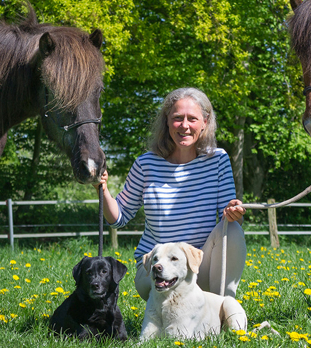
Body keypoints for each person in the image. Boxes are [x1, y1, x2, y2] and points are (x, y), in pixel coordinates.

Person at [94, 87, 246, 301]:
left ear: (205, 121)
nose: (184, 125)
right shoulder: (146, 163)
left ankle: (224, 304)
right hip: (156, 273)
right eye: (177, 118)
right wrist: (102, 189)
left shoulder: (218, 160)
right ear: (166, 121)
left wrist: (233, 212)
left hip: (197, 266)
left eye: (192, 118)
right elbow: (118, 218)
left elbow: (226, 217)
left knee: (233, 230)